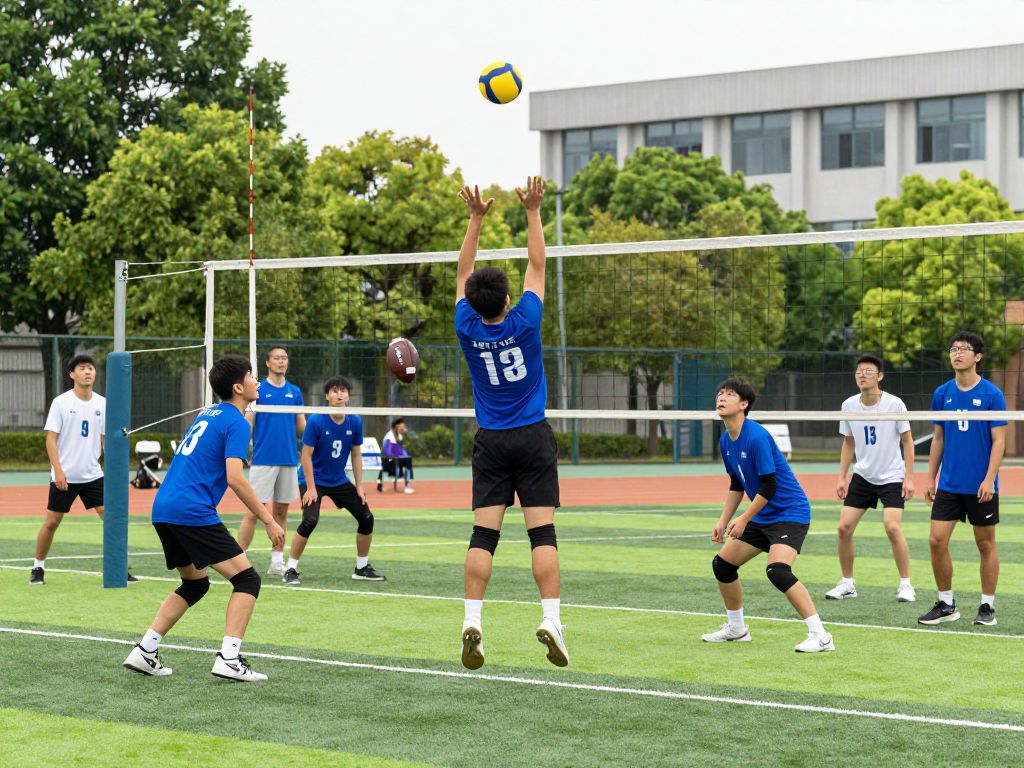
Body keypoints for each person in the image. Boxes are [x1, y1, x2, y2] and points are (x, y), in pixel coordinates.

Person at [454, 177, 567, 670]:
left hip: (492, 441)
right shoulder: (524, 320)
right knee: (541, 534)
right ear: (505, 298)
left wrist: (475, 218)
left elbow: (464, 272)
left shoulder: (466, 326)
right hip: (533, 435)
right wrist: (533, 211)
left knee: (484, 536)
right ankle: (551, 619)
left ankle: (472, 619)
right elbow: (538, 265)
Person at [123, 355, 285, 681]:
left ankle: (145, 651)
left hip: (164, 507)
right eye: (252, 377)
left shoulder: (207, 414)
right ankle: (229, 658)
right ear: (239, 387)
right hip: (190, 510)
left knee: (194, 585)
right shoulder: (236, 422)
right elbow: (236, 478)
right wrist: (268, 518)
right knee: (247, 580)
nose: (257, 382)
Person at [703, 379, 835, 653]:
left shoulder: (757, 436)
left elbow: (769, 486)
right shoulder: (726, 439)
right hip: (764, 514)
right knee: (723, 565)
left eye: (729, 394)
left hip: (790, 512)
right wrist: (723, 519)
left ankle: (821, 636)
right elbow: (737, 484)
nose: (721, 397)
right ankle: (737, 629)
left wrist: (744, 519)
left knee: (777, 571)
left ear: (744, 404)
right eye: (719, 393)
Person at [919, 331, 1006, 627]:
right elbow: (939, 438)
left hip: (981, 485)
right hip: (950, 485)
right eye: (953, 349)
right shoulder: (942, 393)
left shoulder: (992, 394)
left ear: (977, 356)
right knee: (936, 540)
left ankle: (987, 606)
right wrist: (930, 477)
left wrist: (989, 479)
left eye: (964, 349)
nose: (957, 354)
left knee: (985, 544)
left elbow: (999, 441)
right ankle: (946, 604)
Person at [31, 354, 136, 586]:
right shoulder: (61, 402)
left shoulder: (103, 403)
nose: (88, 372)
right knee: (52, 521)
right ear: (72, 374)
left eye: (91, 368)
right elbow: (50, 440)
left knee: (111, 518)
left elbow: (105, 440)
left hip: (93, 475)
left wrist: (114, 468)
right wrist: (58, 470)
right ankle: (37, 568)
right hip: (65, 475)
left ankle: (118, 567)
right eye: (82, 368)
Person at [827, 354, 916, 603]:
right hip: (863, 475)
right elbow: (848, 442)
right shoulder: (849, 405)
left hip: (891, 475)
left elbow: (908, 442)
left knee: (892, 526)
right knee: (844, 528)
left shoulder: (895, 404)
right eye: (858, 372)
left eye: (868, 371)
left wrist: (909, 477)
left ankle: (906, 585)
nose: (862, 375)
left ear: (880, 376)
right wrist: (842, 477)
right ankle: (847, 583)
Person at [282, 375, 385, 584]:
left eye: (343, 391)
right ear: (327, 396)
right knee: (310, 520)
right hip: (312, 479)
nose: (340, 394)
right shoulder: (317, 421)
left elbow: (356, 454)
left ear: (348, 395)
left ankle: (361, 567)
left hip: (338, 480)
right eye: (335, 391)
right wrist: (310, 488)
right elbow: (306, 456)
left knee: (367, 518)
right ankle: (290, 568)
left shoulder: (354, 420)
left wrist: (359, 486)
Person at [237, 345, 305, 576]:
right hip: (264, 460)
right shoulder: (258, 390)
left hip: (288, 459)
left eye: (284, 358)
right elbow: (248, 422)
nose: (281, 361)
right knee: (253, 512)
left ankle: (277, 561)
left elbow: (301, 427)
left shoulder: (295, 392)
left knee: (282, 513)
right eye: (277, 358)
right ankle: (238, 557)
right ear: (267, 362)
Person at [379, 417, 414, 494]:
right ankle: (406, 484)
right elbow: (387, 452)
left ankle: (407, 485)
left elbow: (401, 450)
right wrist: (396, 456)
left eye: (403, 427)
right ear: (396, 427)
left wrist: (404, 455)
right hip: (387, 460)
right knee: (405, 461)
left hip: (396, 460)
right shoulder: (389, 436)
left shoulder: (399, 436)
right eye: (401, 427)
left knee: (407, 461)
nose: (403, 429)